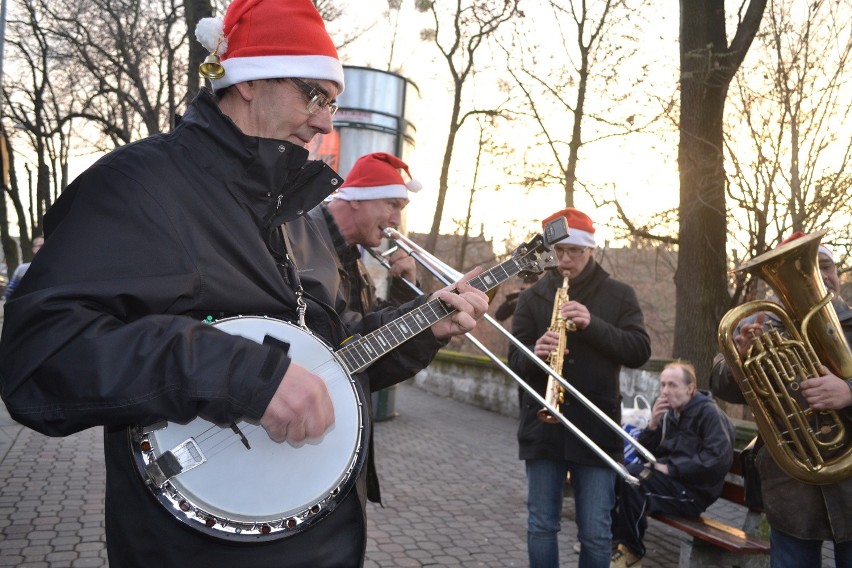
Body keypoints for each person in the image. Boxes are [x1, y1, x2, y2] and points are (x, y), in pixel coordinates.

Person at [0, 1, 489, 566]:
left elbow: (334, 352)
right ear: (249, 80)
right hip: (195, 548)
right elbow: (40, 356)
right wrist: (238, 373)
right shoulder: (140, 187)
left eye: (333, 103)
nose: (326, 121)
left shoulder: (302, 222)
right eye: (314, 95)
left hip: (325, 537)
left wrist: (427, 323)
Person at [508, 207, 652, 568]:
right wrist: (533, 354)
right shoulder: (533, 296)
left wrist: (593, 324)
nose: (565, 260)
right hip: (542, 425)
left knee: (597, 529)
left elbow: (639, 350)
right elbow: (514, 362)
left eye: (575, 251)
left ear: (591, 250)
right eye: (558, 252)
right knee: (541, 524)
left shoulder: (618, 295)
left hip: (596, 425)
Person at [710, 232, 852, 568]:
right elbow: (720, 384)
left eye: (825, 267)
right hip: (791, 487)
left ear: (837, 273)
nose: (820, 277)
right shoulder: (757, 325)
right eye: (808, 270)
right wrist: (738, 360)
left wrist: (847, 392)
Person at [290, 151, 423, 504]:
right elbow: (337, 339)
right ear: (358, 199)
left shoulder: (356, 261)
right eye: (393, 204)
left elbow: (374, 343)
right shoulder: (297, 234)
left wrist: (404, 288)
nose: (397, 218)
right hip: (295, 434)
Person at [610, 360, 735, 568]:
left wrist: (671, 468)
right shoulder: (671, 414)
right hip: (673, 483)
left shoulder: (709, 414)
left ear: (690, 388)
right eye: (663, 385)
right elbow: (645, 456)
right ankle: (615, 540)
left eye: (672, 385)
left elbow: (716, 460)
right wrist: (653, 425)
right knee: (620, 474)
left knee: (635, 484)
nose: (665, 391)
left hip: (694, 493)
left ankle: (632, 553)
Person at [2, 234, 43, 300]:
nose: (44, 248)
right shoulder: (23, 269)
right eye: (41, 246)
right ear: (34, 249)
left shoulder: (57, 269)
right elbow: (10, 292)